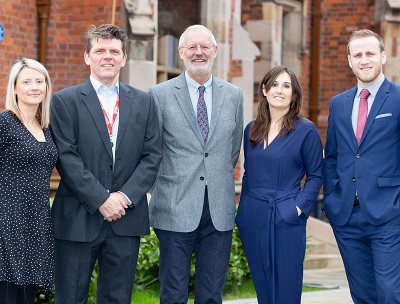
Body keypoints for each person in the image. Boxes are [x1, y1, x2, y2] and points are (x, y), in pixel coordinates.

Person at [50, 24, 161, 304]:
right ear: (87, 57)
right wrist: (101, 199)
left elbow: (152, 156)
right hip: (77, 219)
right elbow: (66, 156)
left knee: (117, 298)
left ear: (124, 58)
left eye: (114, 51)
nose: (107, 56)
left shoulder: (145, 103)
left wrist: (123, 198)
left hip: (126, 219)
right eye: (99, 50)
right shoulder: (65, 101)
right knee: (70, 298)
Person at [149, 24, 243, 304]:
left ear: (215, 52)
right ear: (181, 53)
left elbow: (231, 150)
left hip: (219, 210)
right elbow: (153, 150)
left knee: (212, 295)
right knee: (173, 294)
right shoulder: (159, 95)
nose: (198, 52)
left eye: (205, 47)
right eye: (192, 47)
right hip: (174, 207)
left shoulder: (234, 95)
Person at [323, 29, 400, 303]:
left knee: (390, 293)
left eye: (370, 53)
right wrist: (331, 199)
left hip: (389, 214)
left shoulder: (398, 99)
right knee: (363, 296)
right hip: (346, 216)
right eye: (358, 54)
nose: (364, 60)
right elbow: (332, 156)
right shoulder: (339, 104)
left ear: (383, 56)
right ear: (349, 61)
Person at [236, 65, 323, 304]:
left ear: (294, 94)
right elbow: (248, 173)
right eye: (274, 85)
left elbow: (316, 175)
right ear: (264, 90)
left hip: (286, 215)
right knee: (263, 288)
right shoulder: (251, 129)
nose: (279, 91)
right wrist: (243, 212)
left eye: (286, 86)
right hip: (253, 216)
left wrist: (296, 209)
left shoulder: (306, 131)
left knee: (285, 288)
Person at [0, 58, 58, 304]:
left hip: (36, 221)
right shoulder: (4, 123)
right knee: (8, 293)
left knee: (27, 294)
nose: (35, 86)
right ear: (14, 88)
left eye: (39, 81)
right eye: (26, 81)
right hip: (7, 220)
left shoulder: (46, 126)